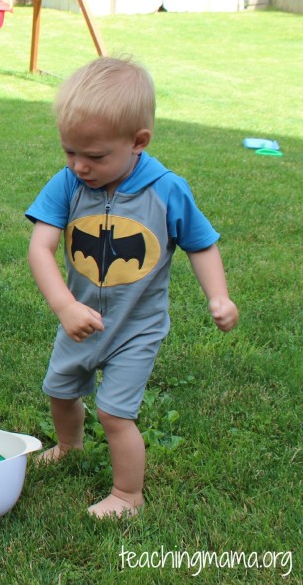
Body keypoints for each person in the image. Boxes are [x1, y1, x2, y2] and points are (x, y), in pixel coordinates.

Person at [26, 56, 239, 517]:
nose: (79, 165)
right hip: (80, 319)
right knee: (60, 391)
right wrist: (64, 307)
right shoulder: (68, 185)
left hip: (135, 329)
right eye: (69, 152)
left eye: (96, 156)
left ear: (138, 142)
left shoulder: (166, 190)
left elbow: (201, 245)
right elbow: (40, 249)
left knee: (115, 414)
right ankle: (69, 446)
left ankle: (127, 495)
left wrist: (218, 296)